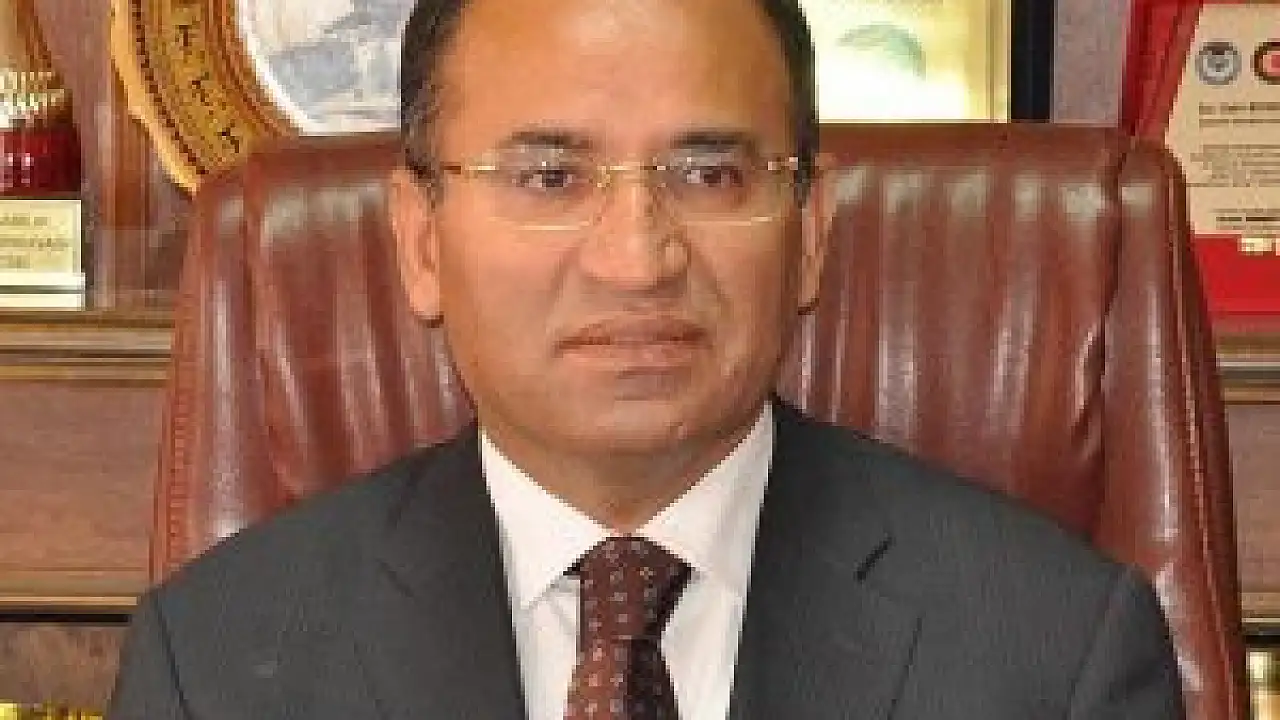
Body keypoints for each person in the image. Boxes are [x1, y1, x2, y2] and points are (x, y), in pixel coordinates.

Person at [108, 0, 1187, 717]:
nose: (636, 259)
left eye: (709, 175)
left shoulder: (1052, 654)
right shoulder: (217, 666)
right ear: (420, 241)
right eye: (549, 177)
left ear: (809, 231)